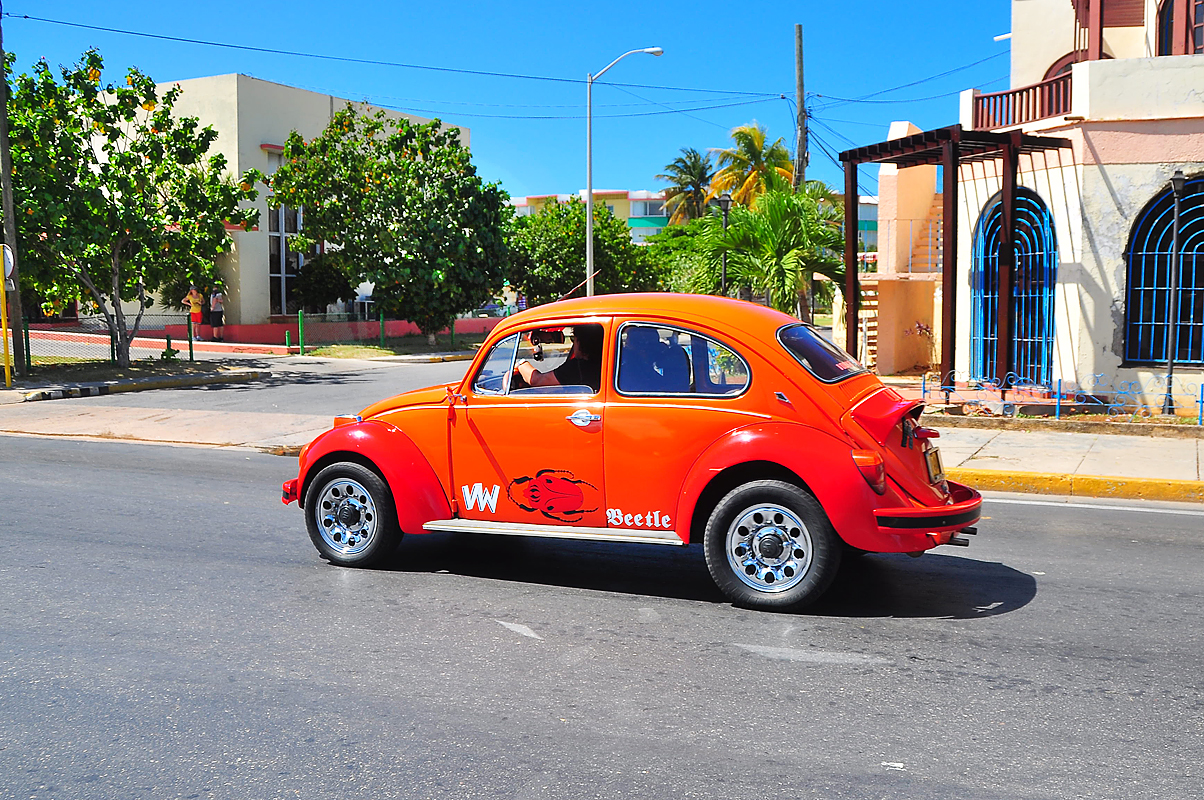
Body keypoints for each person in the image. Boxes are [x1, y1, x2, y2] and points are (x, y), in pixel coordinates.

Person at [515, 324, 603, 392]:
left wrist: (520, 364)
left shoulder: (579, 367)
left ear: (580, 343)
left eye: (573, 340)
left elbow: (537, 381)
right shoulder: (601, 364)